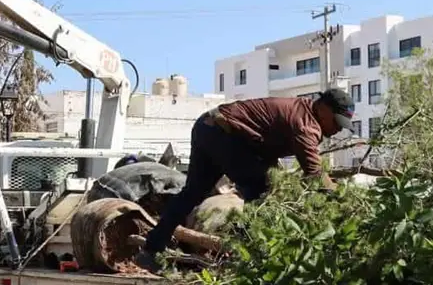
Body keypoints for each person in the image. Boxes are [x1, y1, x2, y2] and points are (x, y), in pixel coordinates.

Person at [137, 88, 355, 270]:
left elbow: (265, 142)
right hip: (225, 134)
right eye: (337, 123)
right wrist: (347, 200)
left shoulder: (300, 110)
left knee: (193, 193)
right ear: (324, 109)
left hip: (208, 125)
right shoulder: (306, 125)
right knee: (261, 196)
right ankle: (247, 260)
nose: (337, 130)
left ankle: (150, 250)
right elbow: (315, 177)